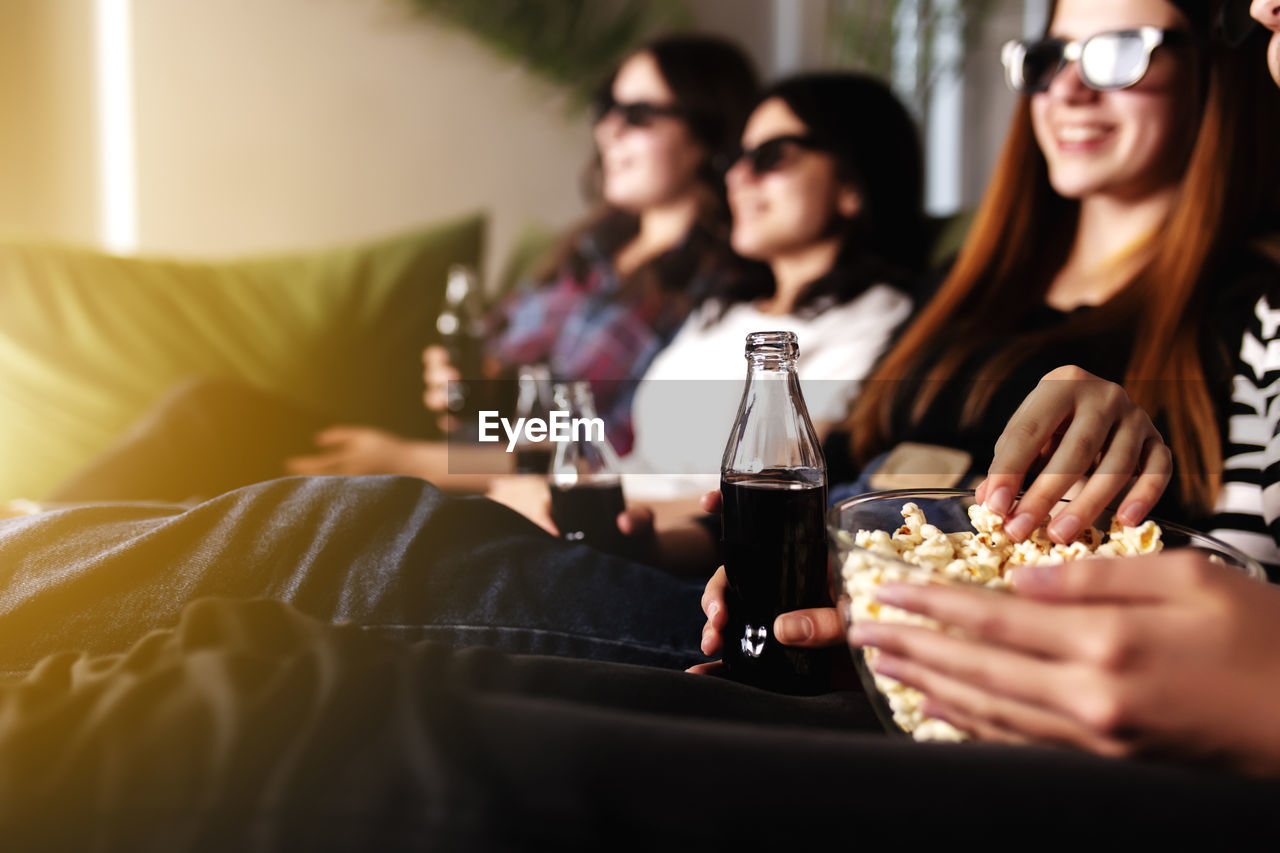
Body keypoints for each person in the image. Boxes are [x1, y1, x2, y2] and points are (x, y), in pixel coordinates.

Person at [698, 0, 1280, 775]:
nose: (1067, 90)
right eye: (1045, 60)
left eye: (1120, 54)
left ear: (1217, 72)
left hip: (1002, 680)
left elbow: (1228, 609)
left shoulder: (1240, 309)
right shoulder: (961, 287)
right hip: (856, 628)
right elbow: (831, 472)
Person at [47, 33, 761, 502]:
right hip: (444, 447)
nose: (607, 129)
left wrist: (411, 456)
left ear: (704, 131)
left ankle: (32, 539)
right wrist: (457, 382)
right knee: (208, 422)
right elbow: (489, 383)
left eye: (637, 114)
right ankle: (39, 535)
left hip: (485, 481)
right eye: (607, 108)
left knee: (210, 425)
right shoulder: (587, 249)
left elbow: (599, 453)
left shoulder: (709, 292)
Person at [489, 71, 922, 530]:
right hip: (599, 508)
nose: (736, 176)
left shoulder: (872, 316)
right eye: (737, 158)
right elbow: (636, 461)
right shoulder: (727, 307)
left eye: (770, 157)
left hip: (658, 545)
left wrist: (577, 506)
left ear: (852, 183)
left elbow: (772, 496)